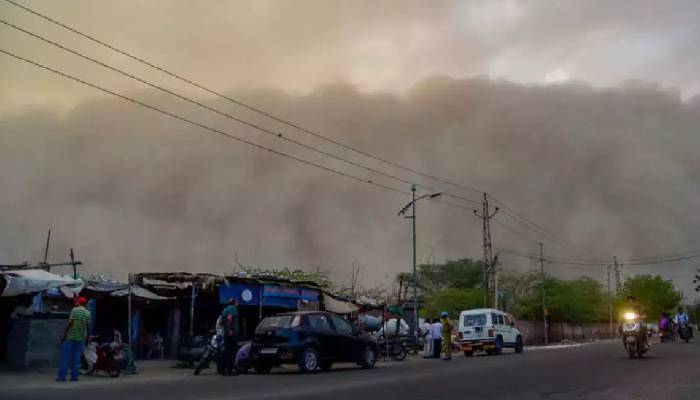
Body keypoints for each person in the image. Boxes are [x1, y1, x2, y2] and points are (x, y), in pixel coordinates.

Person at [57, 296, 91, 382]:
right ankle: (74, 377)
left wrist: (64, 335)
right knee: (76, 358)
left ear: (79, 302)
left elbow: (70, 324)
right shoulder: (87, 313)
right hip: (80, 338)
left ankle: (62, 377)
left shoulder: (74, 310)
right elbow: (88, 326)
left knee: (64, 357)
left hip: (70, 337)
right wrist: (87, 338)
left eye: (77, 301)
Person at [220, 298, 240, 376]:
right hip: (232, 334)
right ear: (234, 303)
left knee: (226, 352)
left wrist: (226, 329)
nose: (237, 303)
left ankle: (222, 369)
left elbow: (221, 322)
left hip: (226, 334)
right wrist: (230, 330)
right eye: (237, 302)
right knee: (232, 353)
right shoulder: (233, 309)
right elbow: (229, 318)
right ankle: (229, 370)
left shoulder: (225, 309)